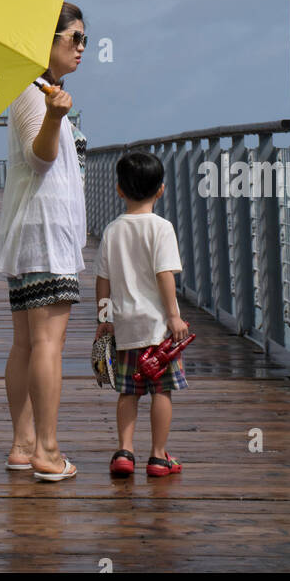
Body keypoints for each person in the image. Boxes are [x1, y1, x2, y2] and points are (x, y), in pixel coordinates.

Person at [0, 2, 87, 482]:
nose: (81, 49)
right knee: (48, 342)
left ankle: (22, 443)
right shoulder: (34, 93)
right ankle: (47, 452)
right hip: (46, 232)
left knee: (27, 344)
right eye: (74, 38)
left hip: (29, 229)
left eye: (85, 41)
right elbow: (41, 159)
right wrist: (55, 118)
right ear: (46, 40)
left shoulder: (35, 89)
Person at [94, 150, 190, 477]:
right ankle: (159, 456)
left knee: (128, 391)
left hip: (124, 327)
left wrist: (104, 319)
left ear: (119, 190)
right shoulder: (161, 228)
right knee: (161, 391)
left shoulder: (111, 231)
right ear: (161, 189)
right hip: (158, 330)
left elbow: (103, 281)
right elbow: (165, 275)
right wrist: (174, 316)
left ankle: (125, 451)